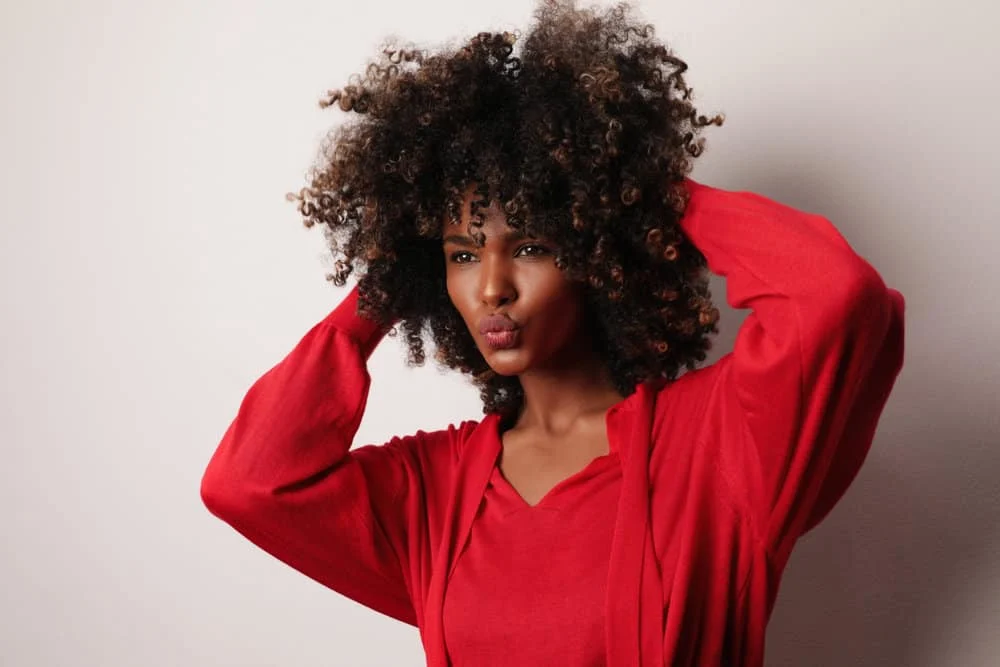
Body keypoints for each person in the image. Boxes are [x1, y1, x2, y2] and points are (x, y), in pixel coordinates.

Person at [199, 1, 906, 664]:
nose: (491, 287)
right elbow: (250, 482)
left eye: (532, 245)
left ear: (597, 255)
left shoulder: (721, 447)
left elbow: (833, 294)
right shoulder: (434, 490)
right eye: (461, 255)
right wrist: (385, 286)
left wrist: (630, 188)